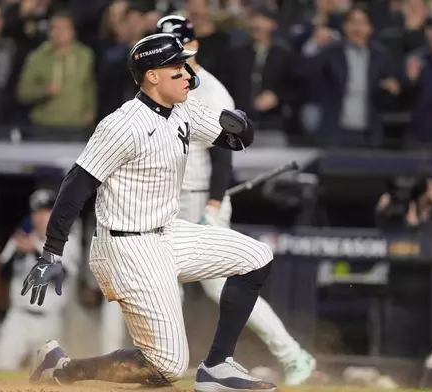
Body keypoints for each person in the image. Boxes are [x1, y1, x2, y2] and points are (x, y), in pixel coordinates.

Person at [21, 33, 279, 392]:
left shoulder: (183, 109)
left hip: (167, 234)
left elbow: (236, 138)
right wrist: (52, 250)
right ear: (152, 76)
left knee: (256, 256)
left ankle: (217, 367)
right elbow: (76, 185)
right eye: (177, 67)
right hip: (127, 248)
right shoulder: (123, 124)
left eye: (185, 65)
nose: (187, 73)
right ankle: (64, 368)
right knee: (168, 366)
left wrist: (238, 122)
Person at [154, 14, 316, 385]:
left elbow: (223, 154)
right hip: (166, 201)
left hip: (200, 201)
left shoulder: (211, 90)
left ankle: (293, 355)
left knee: (218, 283)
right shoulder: (160, 85)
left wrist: (212, 206)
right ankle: (158, 361)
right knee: (160, 281)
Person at [0, 189, 82, 371]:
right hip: (18, 317)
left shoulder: (67, 242)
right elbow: (3, 270)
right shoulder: (20, 239)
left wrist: (35, 248)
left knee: (49, 375)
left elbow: (59, 275)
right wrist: (18, 249)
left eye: (46, 212)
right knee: (1, 365)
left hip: (50, 321)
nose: (40, 217)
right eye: (36, 212)